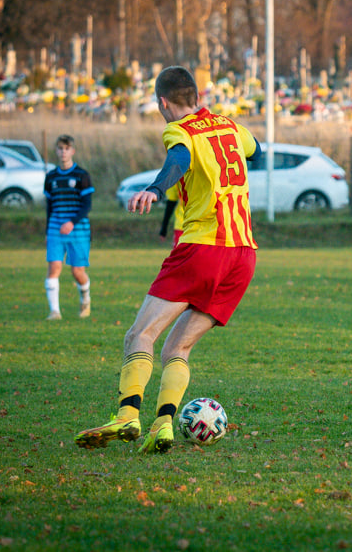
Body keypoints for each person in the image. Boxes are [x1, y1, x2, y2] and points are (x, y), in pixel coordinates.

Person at [75, 66, 261, 454]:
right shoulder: (231, 127)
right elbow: (256, 150)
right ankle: (163, 424)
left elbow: (177, 159)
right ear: (196, 96)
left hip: (202, 249)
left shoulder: (179, 131)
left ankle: (128, 414)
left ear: (163, 102)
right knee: (176, 348)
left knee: (139, 335)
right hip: (243, 257)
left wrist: (156, 188)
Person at [43, 135, 94, 320]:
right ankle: (55, 312)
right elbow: (49, 207)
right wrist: (48, 230)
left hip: (78, 230)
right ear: (56, 151)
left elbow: (87, 205)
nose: (63, 152)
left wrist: (72, 222)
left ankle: (85, 298)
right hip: (55, 229)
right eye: (60, 148)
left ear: (72, 151)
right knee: (54, 267)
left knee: (77, 271)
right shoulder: (51, 177)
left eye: (67, 148)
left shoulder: (82, 175)